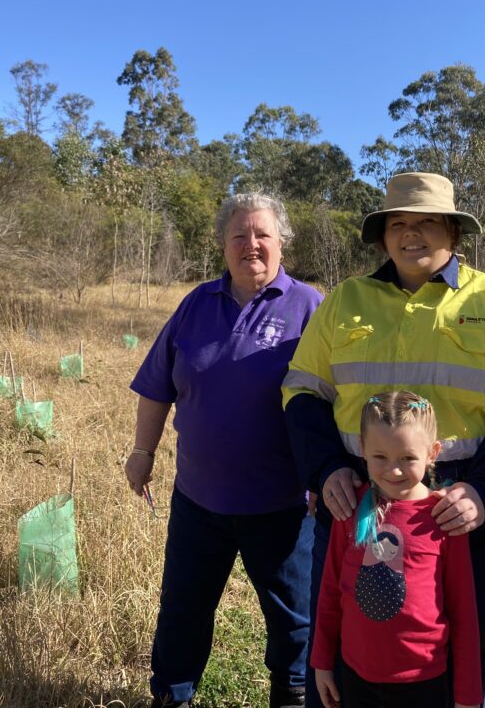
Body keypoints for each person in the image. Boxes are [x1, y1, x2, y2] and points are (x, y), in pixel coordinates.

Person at [283, 172, 485, 706]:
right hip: (354, 500)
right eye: (399, 224)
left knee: (457, 646)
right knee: (344, 643)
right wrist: (325, 469)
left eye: (428, 222)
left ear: (454, 233)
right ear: (383, 236)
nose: (412, 235)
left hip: (461, 511)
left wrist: (484, 491)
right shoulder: (346, 301)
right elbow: (301, 390)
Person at [127, 191, 323, 708]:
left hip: (283, 508)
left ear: (282, 242)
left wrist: (333, 473)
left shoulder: (310, 308)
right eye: (239, 235)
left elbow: (337, 401)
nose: (250, 245)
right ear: (222, 244)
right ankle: (173, 694)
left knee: (294, 618)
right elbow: (156, 385)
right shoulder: (196, 304)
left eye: (262, 234)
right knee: (183, 611)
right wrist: (142, 452)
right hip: (198, 502)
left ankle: (294, 694)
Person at [312, 390, 481, 708]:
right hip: (356, 676)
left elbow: (464, 612)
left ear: (432, 452)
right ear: (362, 449)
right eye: (380, 457)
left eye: (407, 458)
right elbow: (330, 592)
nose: (394, 470)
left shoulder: (443, 517)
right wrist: (321, 663)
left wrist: (468, 696)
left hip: (424, 681)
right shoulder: (350, 510)